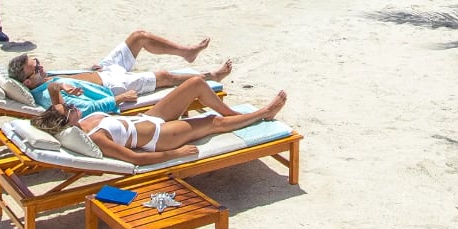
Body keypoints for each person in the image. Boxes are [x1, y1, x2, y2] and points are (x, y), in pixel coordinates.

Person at [32, 76, 287, 164]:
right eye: (69, 109)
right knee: (211, 122)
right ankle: (264, 113)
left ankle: (236, 115)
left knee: (195, 84)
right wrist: (175, 154)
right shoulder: (95, 136)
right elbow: (134, 158)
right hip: (160, 138)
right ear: (66, 122)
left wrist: (61, 85)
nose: (72, 105)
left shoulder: (79, 119)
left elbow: (54, 92)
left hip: (148, 118)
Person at [9, 31, 234, 116]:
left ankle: (187, 52)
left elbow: (72, 79)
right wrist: (119, 99)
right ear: (28, 81)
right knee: (164, 76)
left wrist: (87, 71)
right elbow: (83, 109)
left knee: (139, 37)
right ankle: (212, 77)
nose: (40, 65)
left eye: (36, 61)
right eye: (35, 68)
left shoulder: (44, 78)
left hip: (103, 69)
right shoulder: (47, 95)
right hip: (112, 86)